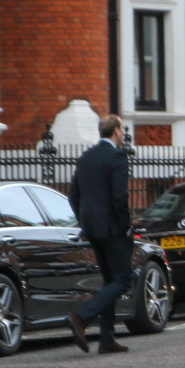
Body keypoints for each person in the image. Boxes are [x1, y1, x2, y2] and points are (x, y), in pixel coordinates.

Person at [66, 115, 133, 355]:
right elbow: (119, 197)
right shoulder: (117, 156)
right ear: (116, 131)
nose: (124, 133)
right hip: (113, 228)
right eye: (123, 129)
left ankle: (107, 338)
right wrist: (125, 225)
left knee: (109, 281)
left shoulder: (86, 157)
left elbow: (73, 194)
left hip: (92, 228)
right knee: (123, 280)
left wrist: (84, 219)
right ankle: (81, 317)